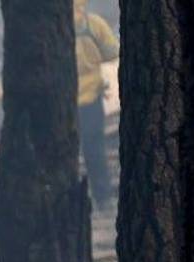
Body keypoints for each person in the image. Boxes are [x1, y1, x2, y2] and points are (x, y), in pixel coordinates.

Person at [74, 0, 119, 209]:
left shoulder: (54, 29)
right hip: (91, 98)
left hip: (65, 101)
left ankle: (69, 200)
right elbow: (112, 52)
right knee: (94, 149)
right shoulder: (93, 24)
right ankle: (103, 198)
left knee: (66, 152)